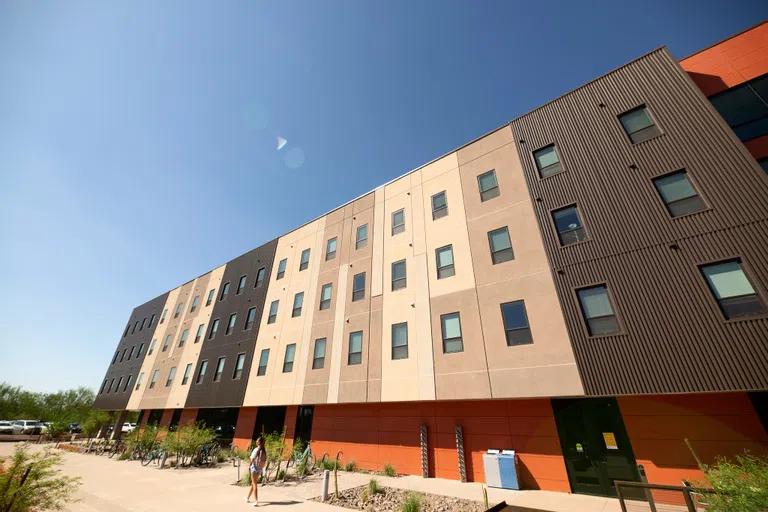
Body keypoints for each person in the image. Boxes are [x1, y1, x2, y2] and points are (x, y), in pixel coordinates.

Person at [245, 437, 267, 506]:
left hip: (254, 467)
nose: (256, 441)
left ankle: (256, 501)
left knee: (254, 483)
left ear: (259, 442)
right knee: (253, 483)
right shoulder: (264, 450)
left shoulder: (256, 449)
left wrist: (249, 465)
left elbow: (252, 459)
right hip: (260, 468)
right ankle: (247, 498)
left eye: (257, 440)